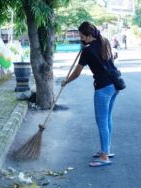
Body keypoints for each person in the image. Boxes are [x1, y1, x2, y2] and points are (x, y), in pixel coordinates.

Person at [61, 21, 119, 167]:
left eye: (81, 36)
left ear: (87, 36)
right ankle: (106, 150)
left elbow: (77, 72)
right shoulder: (104, 42)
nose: (80, 38)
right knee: (107, 118)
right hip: (115, 85)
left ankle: (105, 156)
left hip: (103, 88)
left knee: (102, 122)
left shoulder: (87, 51)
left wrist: (66, 81)